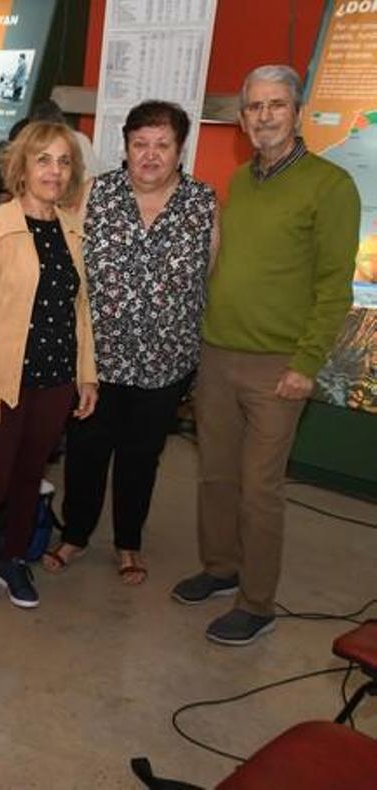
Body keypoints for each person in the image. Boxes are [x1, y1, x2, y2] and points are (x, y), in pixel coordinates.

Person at [171, 65, 361, 646]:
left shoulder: (330, 186)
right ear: (242, 117)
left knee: (259, 489)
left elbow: (334, 287)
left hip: (278, 366)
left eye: (276, 104)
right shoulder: (241, 180)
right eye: (254, 106)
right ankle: (221, 569)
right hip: (217, 353)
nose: (265, 116)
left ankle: (257, 602)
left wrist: (306, 364)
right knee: (216, 475)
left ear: (297, 112)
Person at [43, 101, 218, 586]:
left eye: (162, 144)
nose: (150, 154)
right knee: (86, 451)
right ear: (126, 147)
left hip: (166, 363)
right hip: (97, 361)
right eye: (140, 144)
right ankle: (75, 534)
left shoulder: (202, 203)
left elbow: (209, 275)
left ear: (180, 150)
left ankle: (128, 543)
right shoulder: (95, 194)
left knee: (141, 458)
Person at [0, 121, 97, 620]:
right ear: (22, 167)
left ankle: (12, 560)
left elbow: (81, 310)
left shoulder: (73, 229)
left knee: (29, 478)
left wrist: (87, 375)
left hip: (55, 380)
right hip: (4, 381)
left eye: (63, 161)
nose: (54, 171)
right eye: (44, 160)